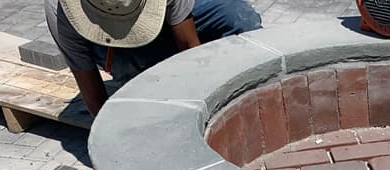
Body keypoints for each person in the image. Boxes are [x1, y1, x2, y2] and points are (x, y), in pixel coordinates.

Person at [46, 0, 262, 117]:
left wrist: (204, 110)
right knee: (132, 63)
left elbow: (190, 48)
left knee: (236, 16)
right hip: (117, 50)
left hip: (169, 15)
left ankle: (258, 99)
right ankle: (142, 80)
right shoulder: (61, 11)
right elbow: (91, 89)